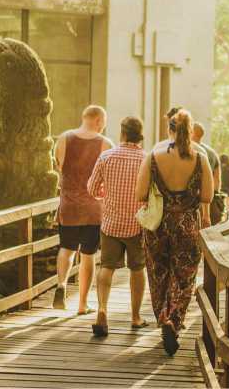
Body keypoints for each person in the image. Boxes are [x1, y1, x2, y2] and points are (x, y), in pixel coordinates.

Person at [135, 109, 213, 356]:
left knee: (159, 274)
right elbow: (207, 196)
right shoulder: (200, 159)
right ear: (190, 131)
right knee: (184, 277)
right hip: (187, 226)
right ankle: (174, 320)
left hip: (158, 226)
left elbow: (140, 194)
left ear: (169, 129)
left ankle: (163, 317)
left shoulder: (154, 156)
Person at [87, 116, 148, 336]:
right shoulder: (146, 159)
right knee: (137, 268)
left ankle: (102, 310)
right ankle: (135, 317)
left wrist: (106, 194)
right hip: (137, 224)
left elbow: (92, 189)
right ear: (140, 135)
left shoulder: (107, 156)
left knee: (106, 267)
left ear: (122, 133)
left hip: (111, 223)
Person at [53, 105, 113, 314]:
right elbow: (108, 177)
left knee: (66, 248)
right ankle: (82, 304)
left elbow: (60, 167)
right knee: (88, 255)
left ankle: (61, 285)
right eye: (103, 122)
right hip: (93, 209)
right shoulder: (105, 144)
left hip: (68, 206)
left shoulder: (64, 138)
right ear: (98, 120)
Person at [192, 122, 224, 225]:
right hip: (208, 198)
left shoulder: (189, 150)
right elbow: (217, 179)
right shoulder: (212, 153)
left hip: (191, 200)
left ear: (191, 133)